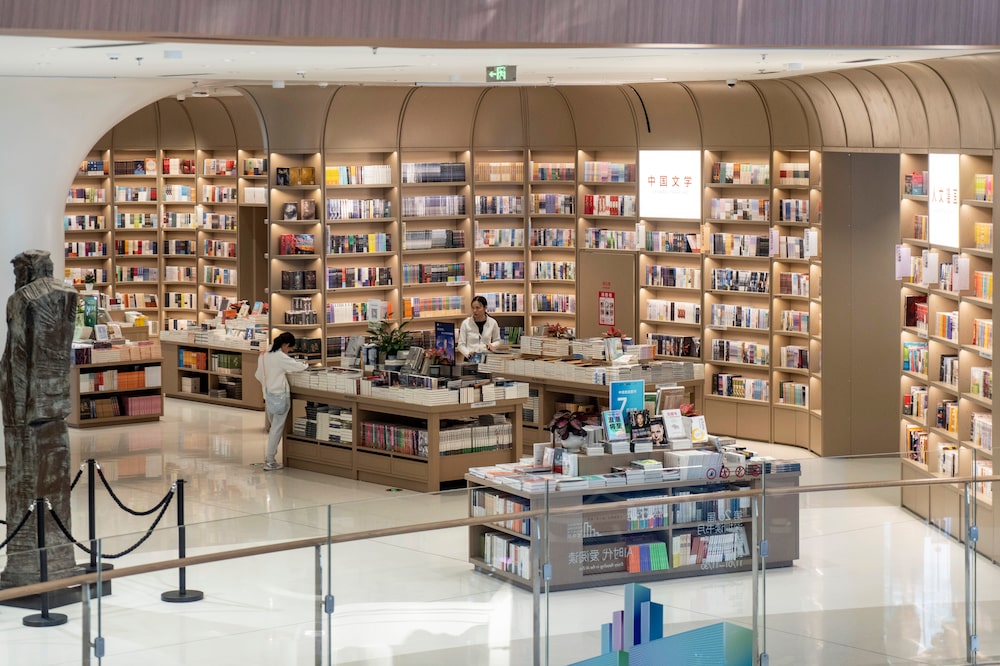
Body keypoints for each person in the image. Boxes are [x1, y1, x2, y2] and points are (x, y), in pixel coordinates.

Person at [254, 331, 308, 470]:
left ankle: (270, 459)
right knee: (276, 430)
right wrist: (306, 364)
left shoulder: (264, 354)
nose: (289, 351)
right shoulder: (280, 356)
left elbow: (258, 375)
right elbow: (299, 366)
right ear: (286, 344)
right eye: (289, 349)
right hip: (280, 396)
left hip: (268, 395)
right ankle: (270, 460)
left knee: (274, 427)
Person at [457, 295, 500, 361]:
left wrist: (492, 345)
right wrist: (468, 353)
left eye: (478, 308)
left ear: (485, 308)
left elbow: (497, 340)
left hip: (486, 359)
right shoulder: (466, 323)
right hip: (470, 359)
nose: (475, 310)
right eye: (473, 308)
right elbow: (461, 344)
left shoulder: (492, 322)